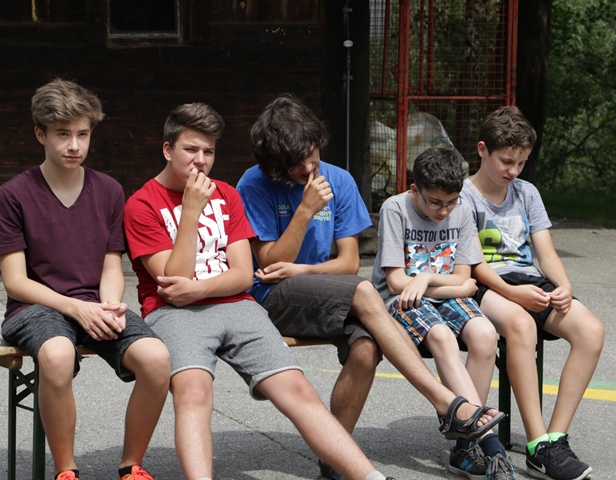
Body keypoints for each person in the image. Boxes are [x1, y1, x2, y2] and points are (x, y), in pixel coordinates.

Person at [123, 102, 398, 480]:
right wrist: (190, 212)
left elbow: (241, 276)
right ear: (168, 150)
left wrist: (198, 288)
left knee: (298, 390)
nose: (201, 161)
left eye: (209, 151)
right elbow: (173, 283)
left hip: (239, 305)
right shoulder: (141, 204)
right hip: (173, 314)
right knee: (194, 391)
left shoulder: (226, 194)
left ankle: (371, 478)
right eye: (191, 149)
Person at [236, 94, 504, 480]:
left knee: (365, 349)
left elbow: (348, 262)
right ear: (274, 164)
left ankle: (335, 461)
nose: (308, 168)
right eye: (295, 164)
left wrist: (301, 269)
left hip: (328, 293)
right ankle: (447, 403)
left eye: (312, 156)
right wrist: (305, 210)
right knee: (364, 290)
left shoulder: (339, 180)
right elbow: (270, 263)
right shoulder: (254, 183)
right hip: (271, 297)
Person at [0, 78, 171, 480]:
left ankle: (131, 467)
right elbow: (15, 282)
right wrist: (77, 308)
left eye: (83, 134)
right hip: (35, 307)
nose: (74, 145)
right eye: (62, 134)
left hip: (93, 303)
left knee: (157, 359)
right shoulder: (14, 194)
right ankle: (66, 471)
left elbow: (111, 265)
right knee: (57, 355)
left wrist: (109, 304)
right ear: (40, 134)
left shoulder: (108, 190)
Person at [461, 106, 604, 480]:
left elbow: (546, 252)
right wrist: (513, 292)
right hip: (486, 283)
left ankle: (555, 439)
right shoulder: (463, 197)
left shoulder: (526, 193)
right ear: (482, 150)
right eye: (507, 161)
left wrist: (565, 287)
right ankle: (537, 444)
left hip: (528, 281)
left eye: (522, 163)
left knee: (591, 331)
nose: (514, 171)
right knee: (521, 325)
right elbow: (473, 263)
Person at [371, 146, 515, 479]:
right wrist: (444, 285)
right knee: (442, 337)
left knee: (485, 334)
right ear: (414, 190)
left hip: (435, 290)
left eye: (450, 202)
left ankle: (464, 444)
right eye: (434, 202)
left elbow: (464, 279)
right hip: (401, 299)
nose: (443, 210)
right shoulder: (395, 208)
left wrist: (425, 278)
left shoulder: (462, 210)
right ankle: (488, 441)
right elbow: (396, 282)